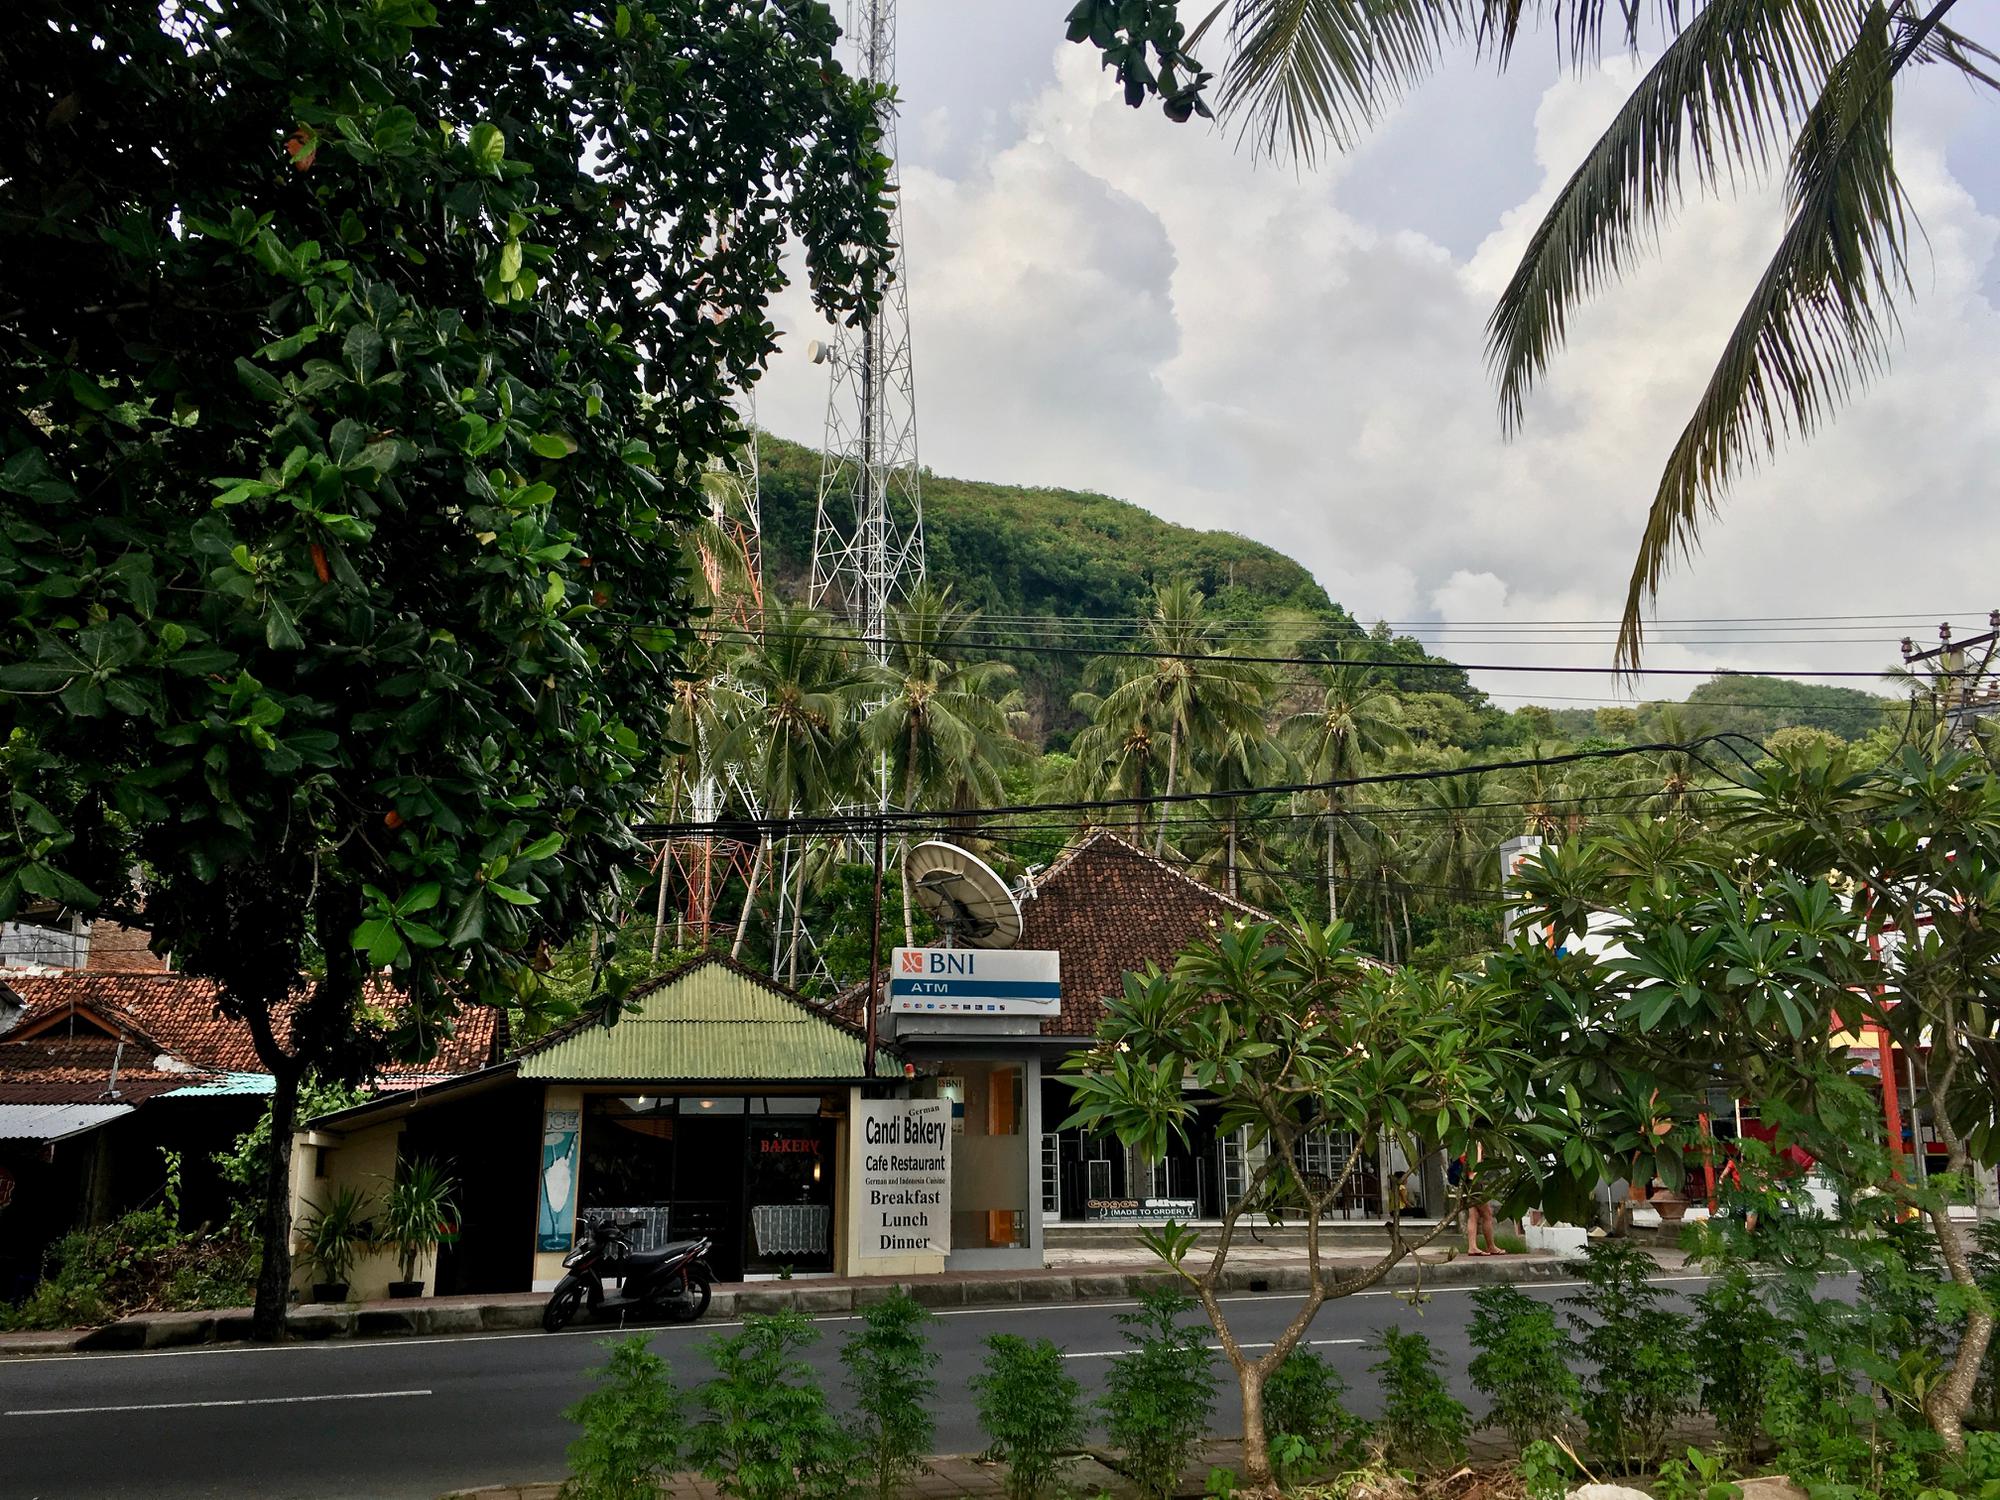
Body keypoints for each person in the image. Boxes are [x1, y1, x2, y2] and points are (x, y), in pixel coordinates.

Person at [1449, 1152, 1502, 1256]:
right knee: (1487, 1214)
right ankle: (1490, 1246)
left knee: (1474, 1215)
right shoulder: (1475, 1141)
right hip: (1473, 1181)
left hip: (1468, 1182)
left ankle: (1472, 1246)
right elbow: (1475, 1163)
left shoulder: (1463, 1144)